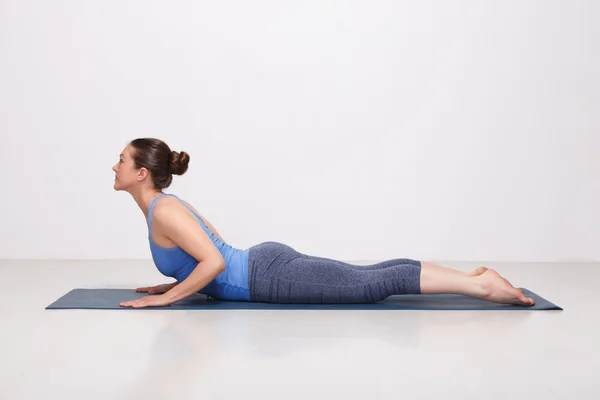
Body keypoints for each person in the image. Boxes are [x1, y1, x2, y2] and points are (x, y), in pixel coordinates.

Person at [114, 138, 535, 308]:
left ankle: (482, 285)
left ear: (141, 173)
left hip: (266, 277)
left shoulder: (164, 210)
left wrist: (165, 301)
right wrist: (178, 284)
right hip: (264, 266)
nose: (113, 166)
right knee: (369, 275)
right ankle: (472, 277)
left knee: (370, 285)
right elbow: (210, 251)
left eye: (121, 160)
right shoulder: (163, 207)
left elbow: (216, 262)